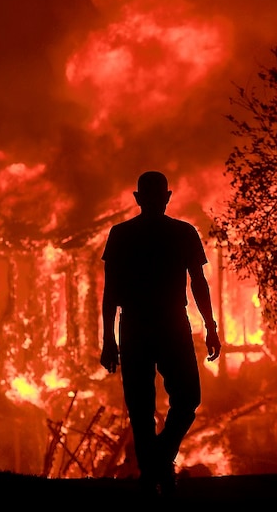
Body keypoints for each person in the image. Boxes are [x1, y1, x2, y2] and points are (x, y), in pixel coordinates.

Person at [100, 170, 222, 495]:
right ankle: (158, 469)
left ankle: (153, 467)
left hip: (140, 325)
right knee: (180, 400)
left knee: (145, 407)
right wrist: (210, 327)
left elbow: (110, 292)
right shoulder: (181, 232)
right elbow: (198, 282)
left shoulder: (122, 234)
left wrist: (108, 339)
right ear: (167, 196)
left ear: (139, 198)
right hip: (167, 323)